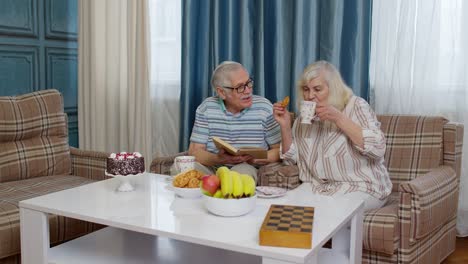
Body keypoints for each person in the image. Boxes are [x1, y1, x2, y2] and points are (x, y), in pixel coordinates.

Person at [273, 61, 392, 211]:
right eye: (306, 89)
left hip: (362, 186)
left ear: (333, 88)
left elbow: (378, 149)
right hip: (319, 188)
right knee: (286, 206)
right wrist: (285, 126)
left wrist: (339, 119)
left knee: (329, 210)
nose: (310, 96)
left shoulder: (356, 106)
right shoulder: (304, 119)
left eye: (317, 89)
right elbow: (290, 160)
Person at [187, 61, 281, 181]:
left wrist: (256, 158)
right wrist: (218, 159)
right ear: (221, 92)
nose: (248, 91)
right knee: (182, 168)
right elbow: (195, 151)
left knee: (240, 174)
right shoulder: (206, 107)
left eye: (249, 83)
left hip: (246, 167)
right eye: (240, 87)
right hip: (212, 168)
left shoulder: (264, 107)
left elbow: (279, 150)